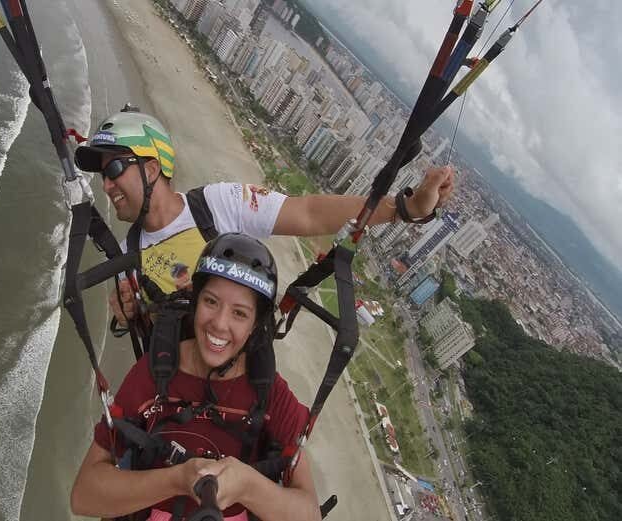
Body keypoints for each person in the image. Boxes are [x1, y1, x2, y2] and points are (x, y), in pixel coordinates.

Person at [73, 105, 455, 323]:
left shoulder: (218, 204)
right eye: (103, 176)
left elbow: (307, 213)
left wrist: (405, 208)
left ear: (152, 168)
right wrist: (130, 315)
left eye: (114, 169)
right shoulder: (128, 253)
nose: (107, 185)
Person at [71, 233, 320, 521]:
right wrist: (177, 480)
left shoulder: (268, 393)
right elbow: (84, 496)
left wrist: (247, 486)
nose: (220, 324)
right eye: (211, 302)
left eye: (239, 314)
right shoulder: (155, 374)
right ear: (195, 301)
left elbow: (308, 513)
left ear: (255, 325)